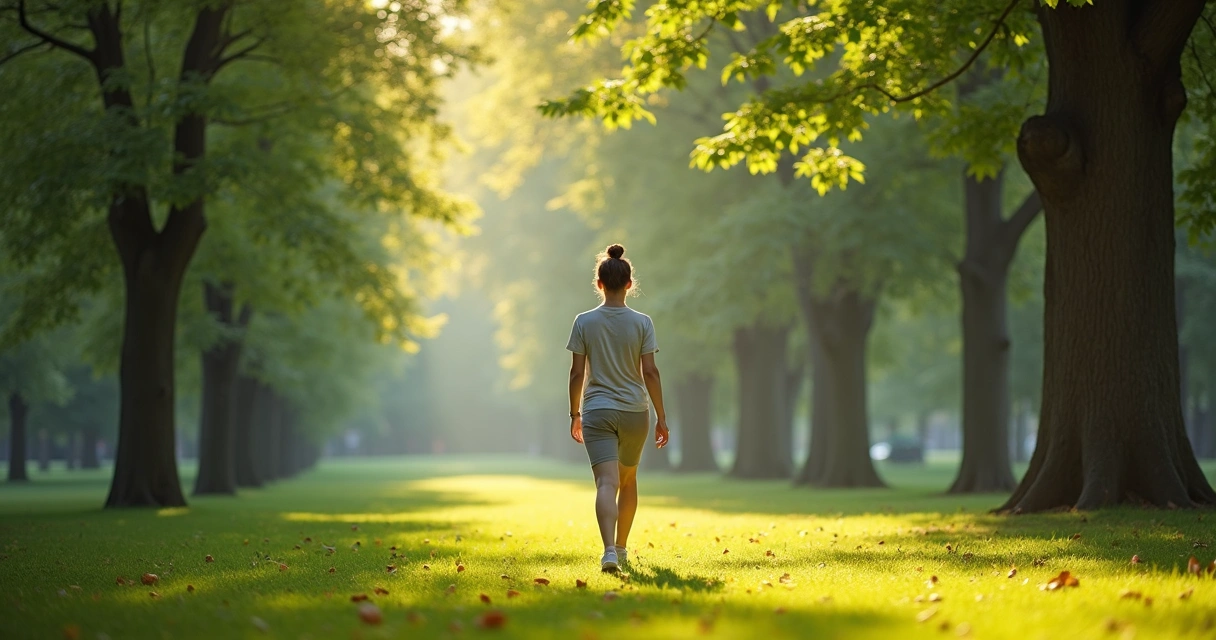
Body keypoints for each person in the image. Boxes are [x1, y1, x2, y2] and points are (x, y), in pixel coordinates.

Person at [566, 244, 669, 572]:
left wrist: (574, 414)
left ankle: (608, 551)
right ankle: (622, 549)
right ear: (628, 284)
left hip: (596, 410)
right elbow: (650, 371)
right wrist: (662, 418)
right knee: (628, 481)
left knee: (605, 483)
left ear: (599, 283)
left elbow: (576, 373)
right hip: (635, 412)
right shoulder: (642, 323)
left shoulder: (584, 322)